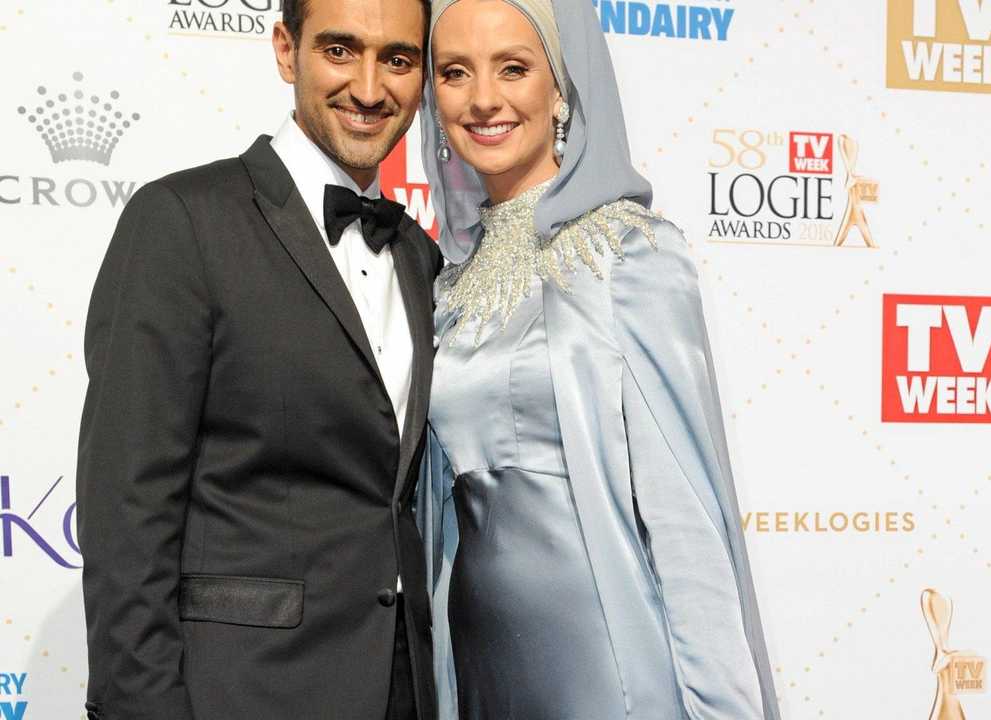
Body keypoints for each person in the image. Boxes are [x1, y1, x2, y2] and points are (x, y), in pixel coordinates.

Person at [415, 1, 781, 718]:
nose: (483, 98)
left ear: (562, 86)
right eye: (455, 72)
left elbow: (686, 523)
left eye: (513, 68)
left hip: (607, 671)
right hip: (481, 668)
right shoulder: (446, 284)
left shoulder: (628, 254)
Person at [75, 0, 441, 718]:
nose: (370, 88)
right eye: (340, 50)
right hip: (242, 691)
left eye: (397, 59)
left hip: (404, 691)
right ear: (285, 48)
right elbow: (127, 512)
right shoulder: (183, 221)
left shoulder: (420, 258)